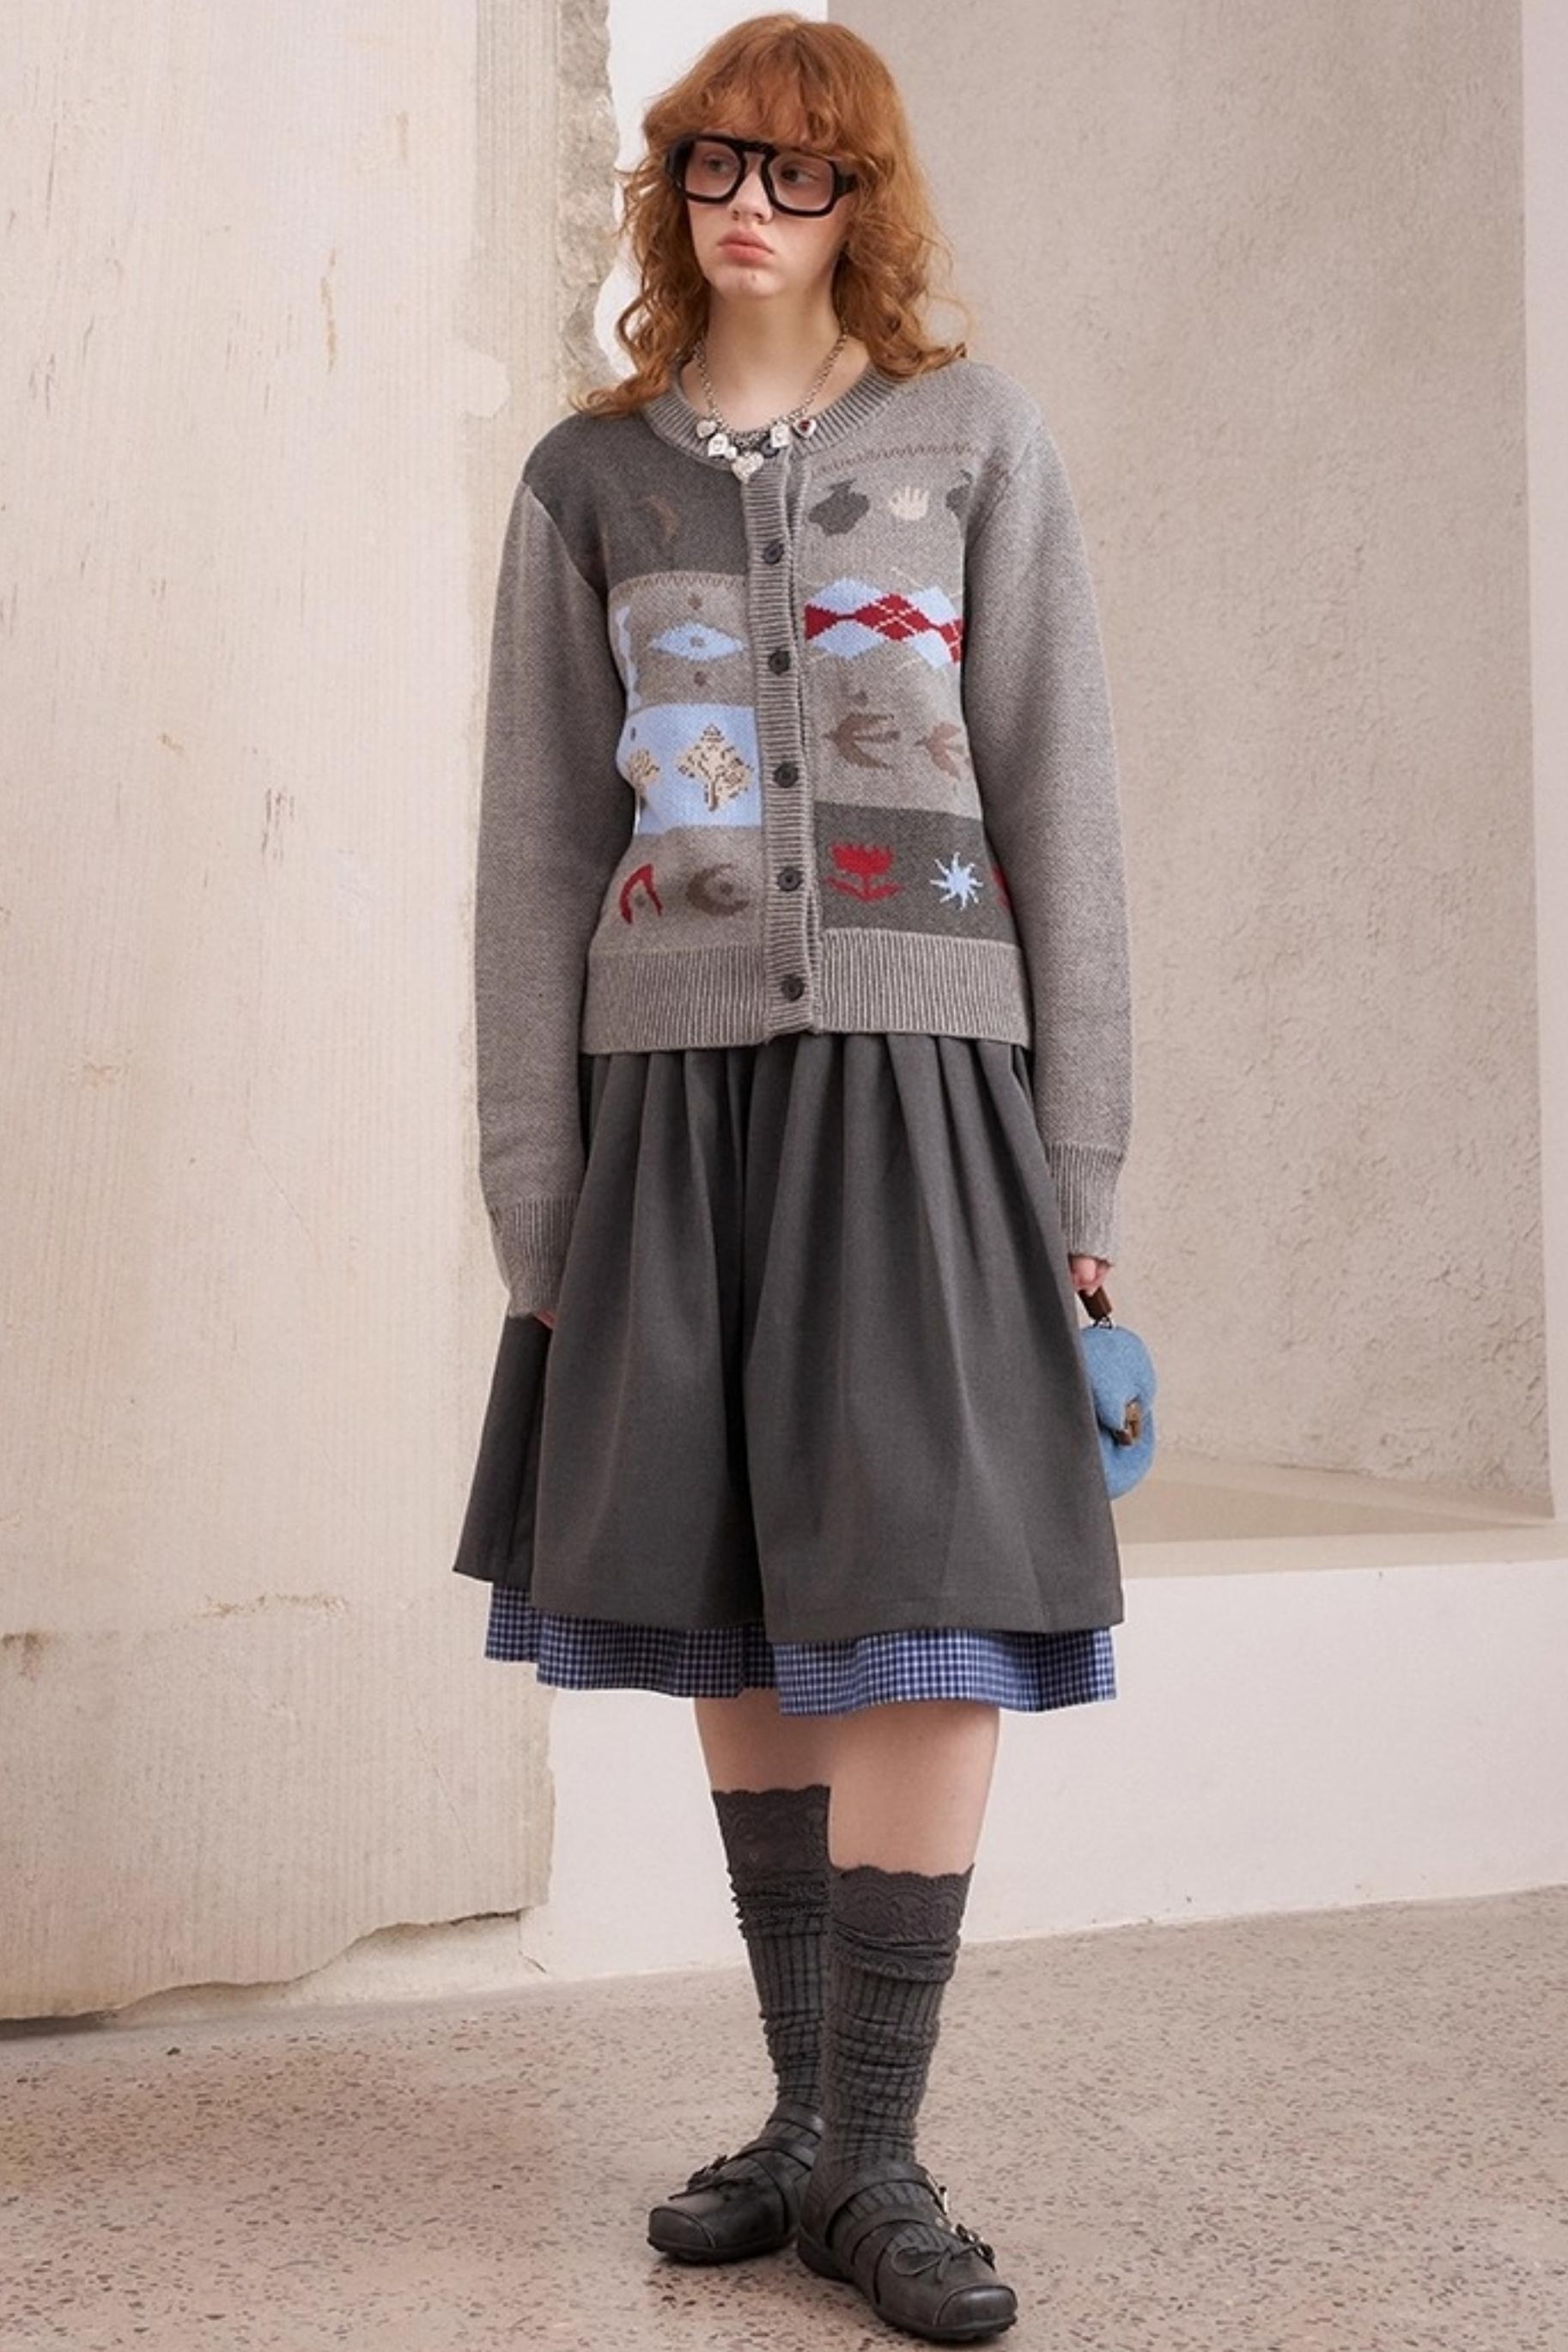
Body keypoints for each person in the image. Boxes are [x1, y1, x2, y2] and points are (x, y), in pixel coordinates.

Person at [451, 14, 1133, 2343]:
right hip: (666, 1101)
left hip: (927, 1088)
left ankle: (880, 2145)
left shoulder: (975, 441)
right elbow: (538, 856)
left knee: (924, 1589)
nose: (753, 203)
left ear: (865, 200)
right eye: (717, 162)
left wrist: (1078, 1171)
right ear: (670, 186)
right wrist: (538, 1202)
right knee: (733, 1585)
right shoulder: (588, 481)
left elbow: (1063, 813)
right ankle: (813, 2123)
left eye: (802, 171)